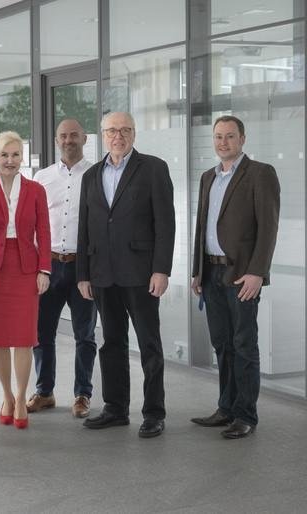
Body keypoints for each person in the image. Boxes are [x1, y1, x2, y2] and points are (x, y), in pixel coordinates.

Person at [77, 111, 175, 438]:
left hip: (141, 273)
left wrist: (161, 269)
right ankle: (115, 408)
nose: (117, 136)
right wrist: (83, 274)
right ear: (102, 135)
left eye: (124, 130)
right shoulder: (91, 175)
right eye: (111, 131)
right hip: (103, 274)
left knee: (149, 344)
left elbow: (165, 224)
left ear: (133, 133)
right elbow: (85, 229)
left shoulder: (153, 168)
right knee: (111, 343)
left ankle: (154, 413)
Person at [190, 115, 280, 439]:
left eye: (229, 136)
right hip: (211, 272)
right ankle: (226, 408)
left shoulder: (260, 174)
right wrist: (197, 271)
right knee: (222, 344)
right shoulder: (207, 178)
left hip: (242, 274)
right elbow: (202, 226)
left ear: (242, 139)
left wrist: (258, 272)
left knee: (244, 344)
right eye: (218, 136)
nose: (223, 142)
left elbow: (268, 228)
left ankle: (245, 415)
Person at [0, 131, 50, 429]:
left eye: (15, 155)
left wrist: (44, 269)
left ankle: (20, 398)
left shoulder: (35, 190)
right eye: (5, 155)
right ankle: (6, 395)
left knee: (23, 338)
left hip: (25, 269)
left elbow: (44, 232)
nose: (10, 160)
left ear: (22, 158)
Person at [32, 119, 98, 418]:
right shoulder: (41, 177)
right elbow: (33, 222)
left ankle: (82, 394)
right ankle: (44, 392)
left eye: (74, 134)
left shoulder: (97, 174)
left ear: (84, 137)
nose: (69, 140)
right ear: (56, 139)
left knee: (85, 334)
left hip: (83, 268)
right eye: (63, 135)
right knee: (41, 332)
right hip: (49, 265)